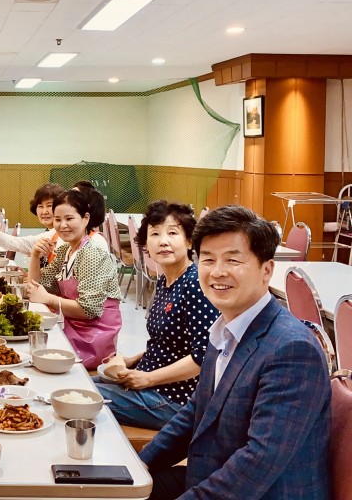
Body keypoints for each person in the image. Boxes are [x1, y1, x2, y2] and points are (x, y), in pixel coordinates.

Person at [140, 205, 331, 500]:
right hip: (213, 472)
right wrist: (138, 465)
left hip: (266, 492)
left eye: (232, 260)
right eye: (208, 259)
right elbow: (194, 413)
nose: (218, 272)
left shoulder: (293, 350)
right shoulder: (225, 328)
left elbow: (258, 461)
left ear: (266, 270)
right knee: (118, 490)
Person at [95, 201, 219, 429]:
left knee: (82, 396)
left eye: (173, 233)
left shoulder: (196, 285)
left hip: (175, 401)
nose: (163, 241)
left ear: (190, 241)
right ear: (146, 244)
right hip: (150, 382)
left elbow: (205, 357)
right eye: (155, 234)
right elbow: (170, 343)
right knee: (79, 383)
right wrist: (136, 359)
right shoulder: (165, 280)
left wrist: (148, 378)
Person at [27, 187, 123, 368]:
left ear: (85, 218)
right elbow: (38, 286)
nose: (62, 225)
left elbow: (89, 310)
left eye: (69, 218)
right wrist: (34, 255)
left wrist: (48, 299)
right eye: (58, 220)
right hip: (71, 325)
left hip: (91, 339)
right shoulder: (65, 250)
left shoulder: (93, 253)